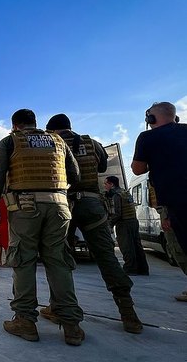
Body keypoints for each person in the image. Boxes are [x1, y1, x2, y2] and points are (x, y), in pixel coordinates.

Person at [0, 109, 84, 346]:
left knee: (23, 260)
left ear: (15, 125)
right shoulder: (58, 140)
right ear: (34, 123)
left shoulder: (11, 141)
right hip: (59, 206)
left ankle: (25, 321)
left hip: (25, 207)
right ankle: (71, 325)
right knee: (58, 261)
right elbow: (75, 174)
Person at [44, 113, 143, 335]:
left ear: (51, 130)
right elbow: (100, 168)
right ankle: (129, 315)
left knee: (58, 259)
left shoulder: (52, 143)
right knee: (107, 257)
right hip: (92, 203)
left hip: (62, 204)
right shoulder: (92, 143)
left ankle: (60, 310)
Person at [132, 101, 187, 255]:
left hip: (176, 206)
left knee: (181, 251)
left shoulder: (146, 138)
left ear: (151, 119)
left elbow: (137, 169)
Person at [148, 182, 187, 301]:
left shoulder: (162, 170)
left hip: (172, 212)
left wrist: (166, 216)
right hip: (173, 210)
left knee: (179, 250)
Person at [104, 175, 149, 275]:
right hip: (133, 221)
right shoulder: (125, 192)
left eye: (106, 184)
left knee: (126, 247)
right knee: (137, 246)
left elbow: (118, 213)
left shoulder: (117, 195)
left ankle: (130, 269)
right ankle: (143, 269)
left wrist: (109, 224)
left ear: (111, 184)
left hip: (124, 224)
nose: (104, 186)